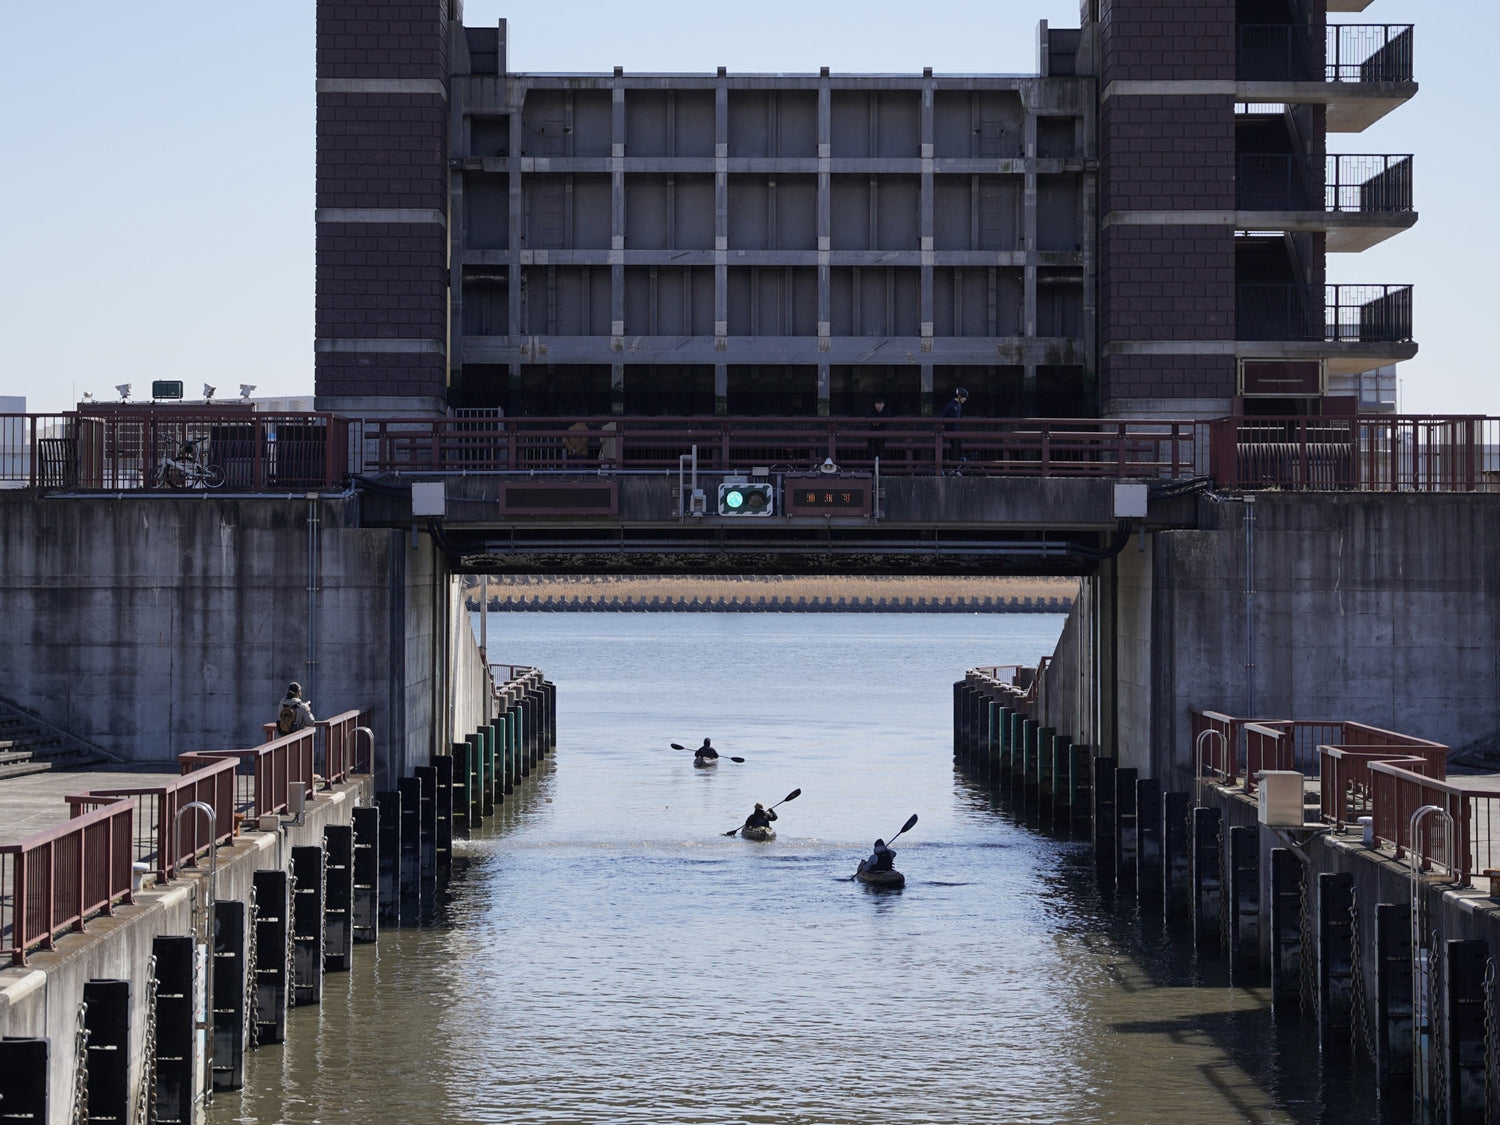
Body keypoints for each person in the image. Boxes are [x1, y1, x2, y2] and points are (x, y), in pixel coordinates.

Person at [939, 386, 968, 468]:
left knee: (958, 448)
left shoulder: (959, 405)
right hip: (950, 430)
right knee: (954, 449)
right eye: (964, 397)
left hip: (957, 430)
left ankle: (956, 467)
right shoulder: (950, 405)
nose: (965, 399)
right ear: (959, 396)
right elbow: (943, 417)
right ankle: (952, 468)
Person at [867, 396, 888, 461]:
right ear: (875, 405)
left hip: (882, 435)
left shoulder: (886, 412)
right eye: (877, 404)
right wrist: (874, 420)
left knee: (881, 452)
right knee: (871, 453)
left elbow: (890, 417)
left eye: (880, 404)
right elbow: (867, 415)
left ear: (883, 405)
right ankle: (872, 470)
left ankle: (881, 469)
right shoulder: (871, 411)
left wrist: (880, 421)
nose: (879, 406)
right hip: (872, 435)